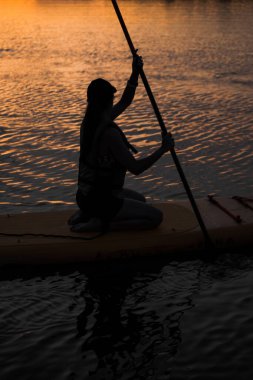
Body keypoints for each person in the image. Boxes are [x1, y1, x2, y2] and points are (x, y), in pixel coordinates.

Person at [69, 55, 174, 232]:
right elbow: (136, 168)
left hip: (85, 196)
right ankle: (102, 224)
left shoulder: (90, 122)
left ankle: (88, 214)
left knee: (140, 200)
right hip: (101, 200)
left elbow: (125, 101)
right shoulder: (109, 134)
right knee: (155, 217)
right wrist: (163, 149)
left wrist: (135, 73)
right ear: (108, 102)